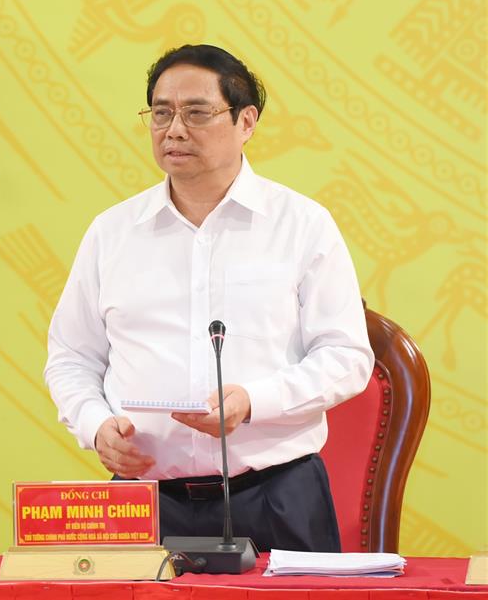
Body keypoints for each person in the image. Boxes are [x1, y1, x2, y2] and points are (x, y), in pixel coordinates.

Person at [44, 44, 374, 552]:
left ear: (246, 122)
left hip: (276, 495)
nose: (174, 130)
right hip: (142, 501)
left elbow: (346, 357)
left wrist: (253, 401)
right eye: (161, 113)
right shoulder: (112, 233)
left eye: (197, 113)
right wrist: (95, 425)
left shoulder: (302, 225)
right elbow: (71, 357)